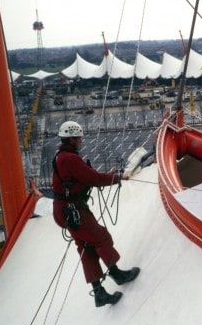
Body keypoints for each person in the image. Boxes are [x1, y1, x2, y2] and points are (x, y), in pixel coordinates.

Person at [52, 121, 140, 307]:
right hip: (73, 210)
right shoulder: (69, 158)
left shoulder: (61, 156)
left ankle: (100, 293)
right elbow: (93, 179)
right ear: (72, 138)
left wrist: (105, 175)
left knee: (86, 247)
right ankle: (117, 275)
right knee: (101, 238)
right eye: (79, 138)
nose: (81, 141)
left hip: (65, 211)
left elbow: (83, 178)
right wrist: (117, 178)